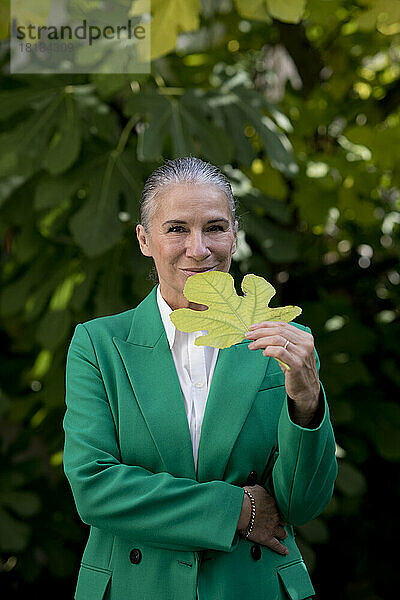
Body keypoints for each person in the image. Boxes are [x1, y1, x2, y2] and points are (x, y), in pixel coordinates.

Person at [63, 156, 337, 600]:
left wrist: (306, 402)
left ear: (234, 235)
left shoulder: (287, 344)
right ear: (144, 239)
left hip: (250, 585)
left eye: (215, 227)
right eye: (176, 229)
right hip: (137, 586)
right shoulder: (99, 345)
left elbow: (302, 504)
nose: (199, 248)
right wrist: (237, 510)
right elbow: (94, 488)